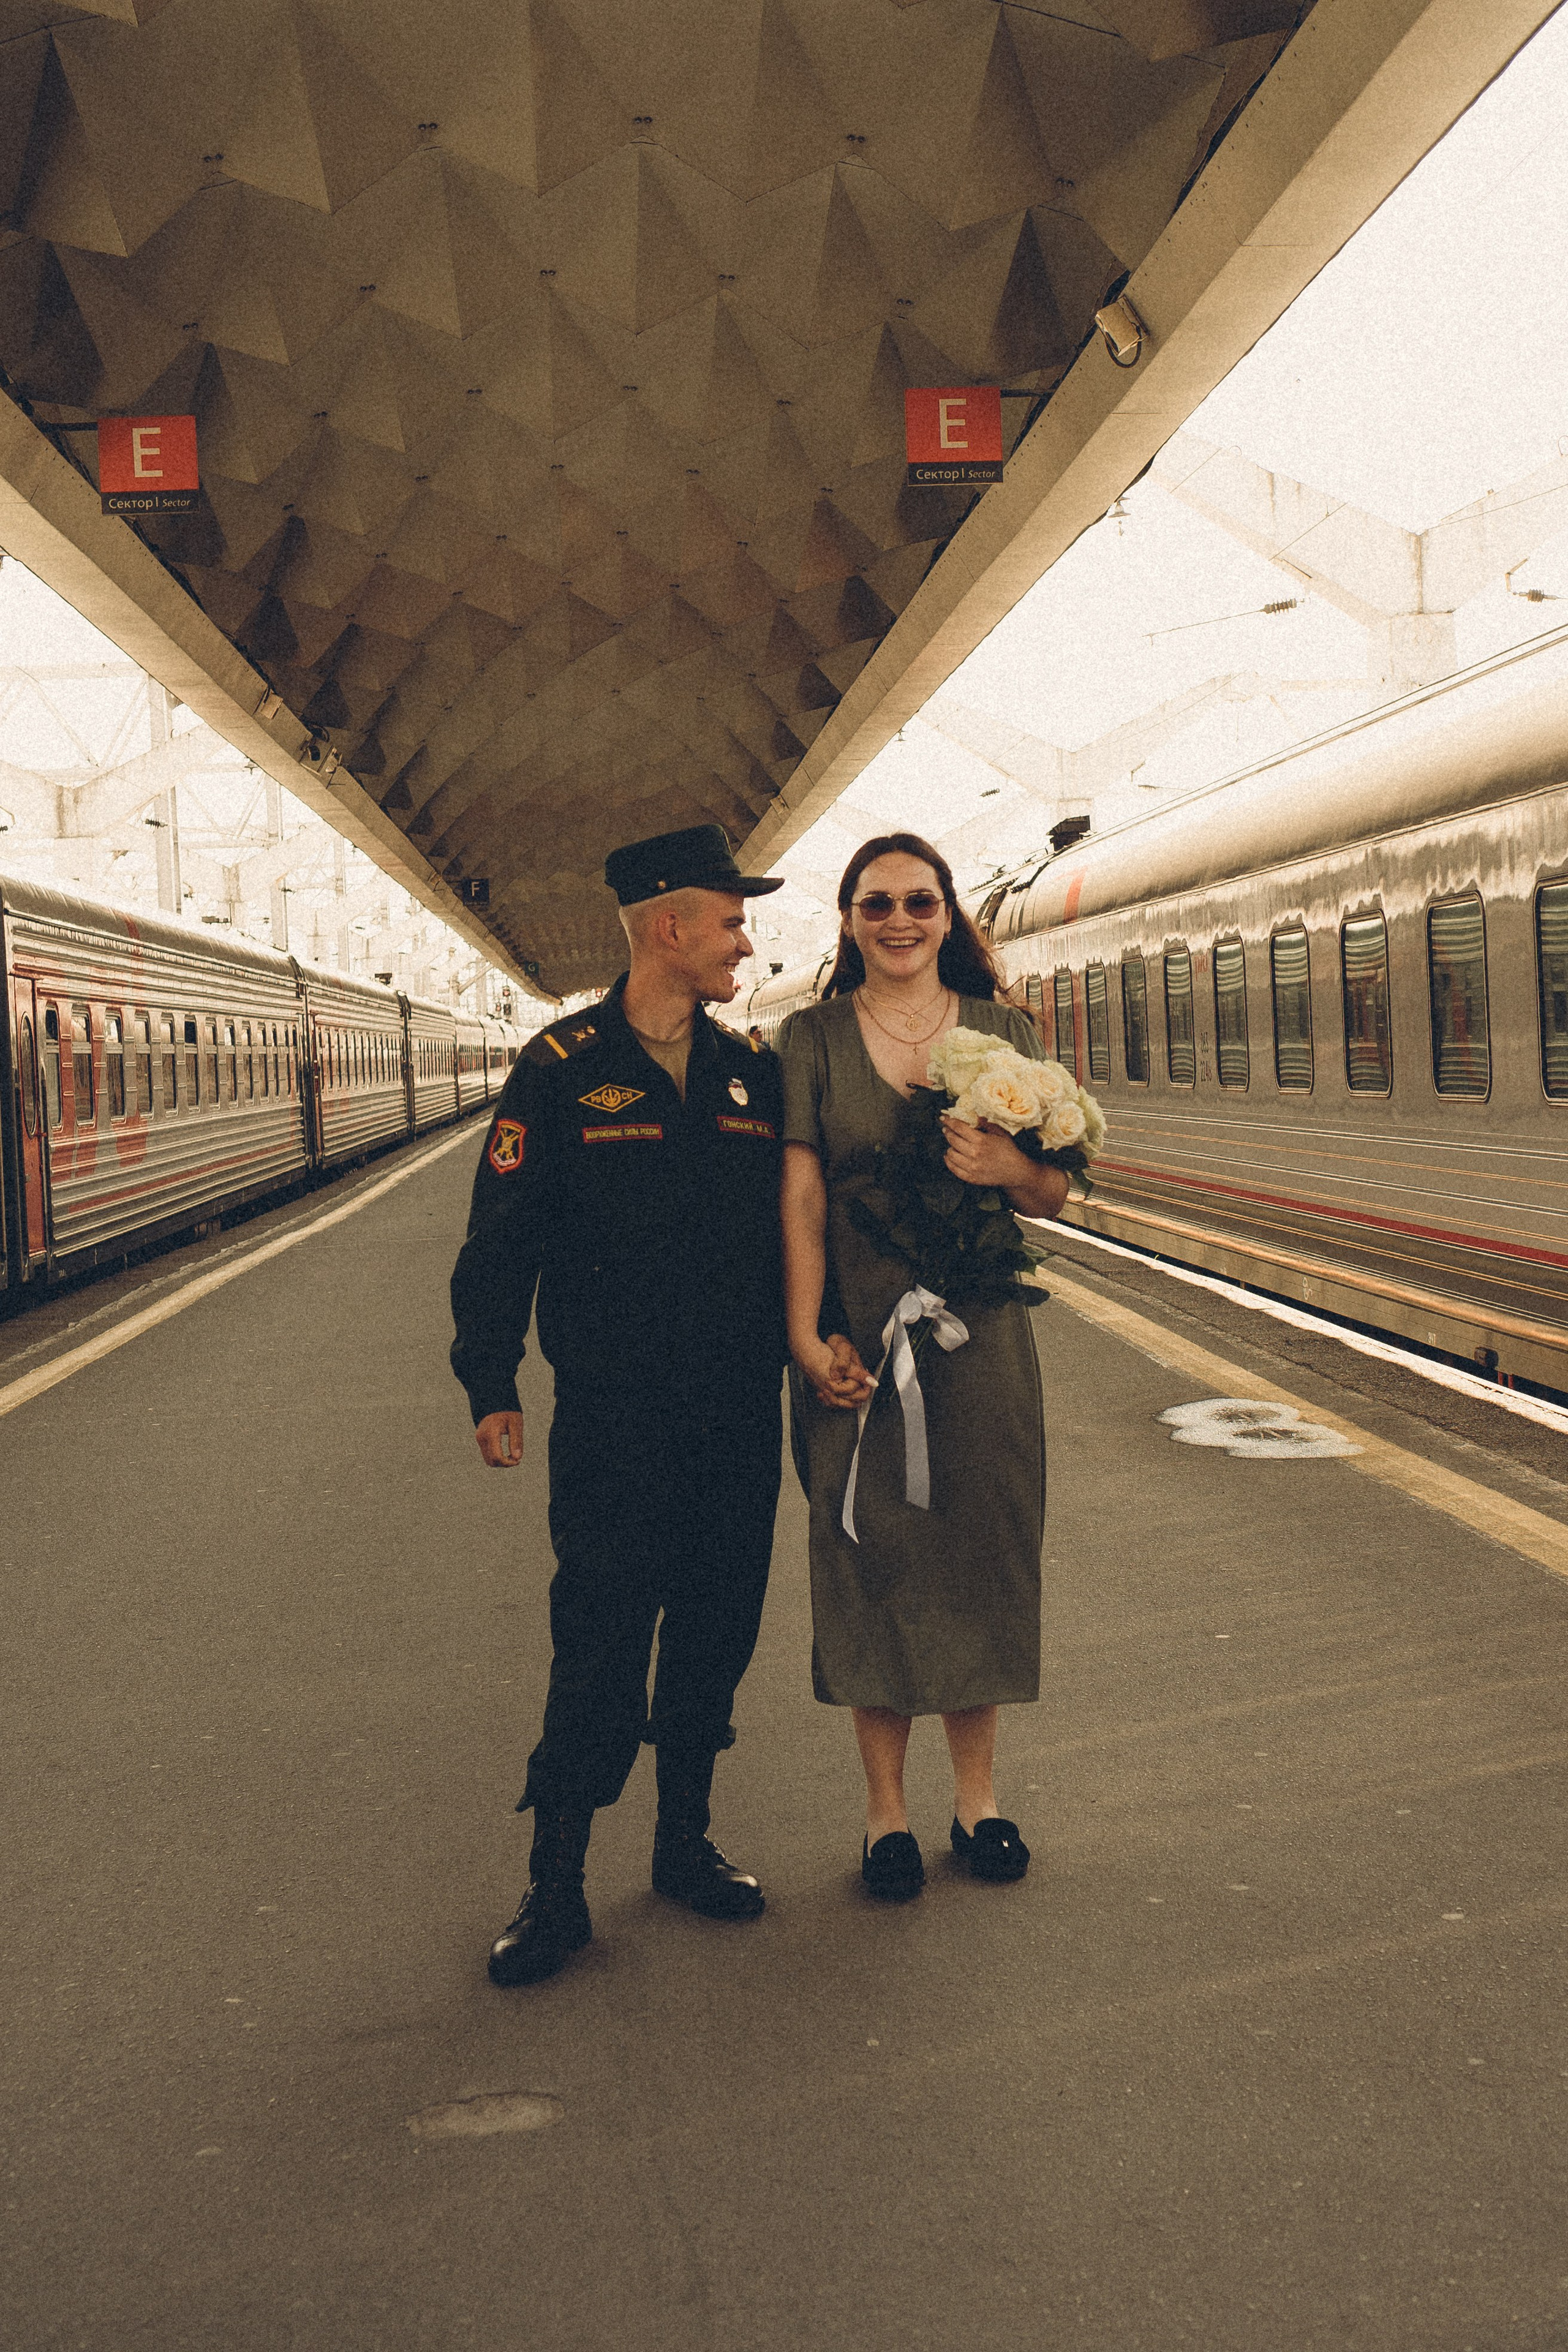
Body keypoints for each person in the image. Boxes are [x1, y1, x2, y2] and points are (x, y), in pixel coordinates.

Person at [451, 824, 788, 1986]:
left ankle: (683, 1846)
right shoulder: (557, 1069)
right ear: (669, 928)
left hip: (740, 1412)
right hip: (616, 1420)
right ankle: (555, 1887)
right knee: (596, 1644)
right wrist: (490, 1378)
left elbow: (797, 1238)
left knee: (714, 1632)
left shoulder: (754, 1073)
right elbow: (501, 1239)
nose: (747, 938)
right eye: (732, 919)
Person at [777, 832, 1069, 1903]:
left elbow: (1052, 1195)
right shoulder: (805, 1040)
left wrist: (1012, 1165)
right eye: (875, 905)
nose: (898, 921)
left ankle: (978, 1806)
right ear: (848, 921)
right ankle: (885, 1819)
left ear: (949, 915)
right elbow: (801, 1200)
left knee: (979, 1550)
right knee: (871, 1554)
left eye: (918, 902)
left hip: (981, 1340)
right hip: (858, 1339)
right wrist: (807, 1335)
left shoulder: (1007, 1033)